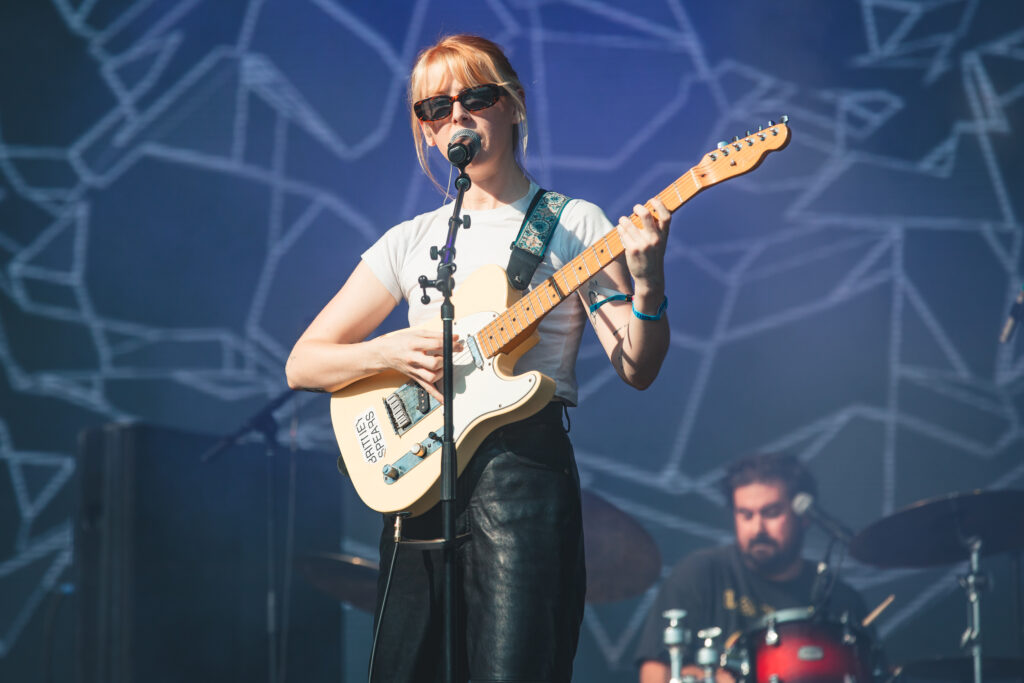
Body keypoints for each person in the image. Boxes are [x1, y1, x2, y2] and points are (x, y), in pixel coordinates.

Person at [285, 34, 672, 682]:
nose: (455, 116)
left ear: (514, 105)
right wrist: (386, 348)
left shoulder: (573, 222)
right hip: (418, 481)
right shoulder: (410, 240)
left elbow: (637, 365)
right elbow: (303, 362)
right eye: (434, 107)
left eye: (476, 97)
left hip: (520, 473)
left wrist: (649, 283)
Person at [634, 453, 870, 683]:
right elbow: (655, 674)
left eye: (771, 513)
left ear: (804, 516)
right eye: (746, 515)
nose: (758, 528)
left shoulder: (841, 599)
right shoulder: (700, 574)